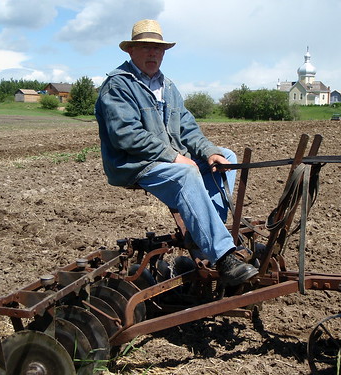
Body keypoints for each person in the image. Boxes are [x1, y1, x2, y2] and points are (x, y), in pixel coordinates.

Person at [95, 19, 257, 286]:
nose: (153, 54)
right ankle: (224, 257)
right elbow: (126, 134)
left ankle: (201, 233)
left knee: (226, 157)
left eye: (158, 49)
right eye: (146, 47)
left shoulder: (168, 86)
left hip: (167, 159)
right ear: (131, 51)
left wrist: (209, 152)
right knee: (185, 172)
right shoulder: (119, 85)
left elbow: (188, 127)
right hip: (135, 164)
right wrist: (173, 156)